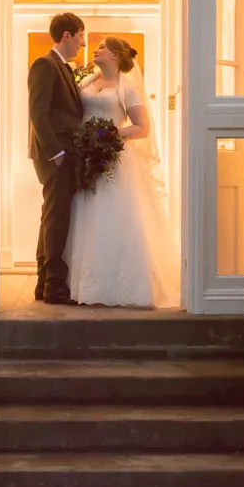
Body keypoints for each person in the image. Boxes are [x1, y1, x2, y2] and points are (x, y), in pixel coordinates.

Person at [66, 36, 180, 308]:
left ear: (116, 55)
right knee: (87, 218)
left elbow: (142, 128)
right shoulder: (87, 82)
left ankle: (124, 284)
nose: (96, 49)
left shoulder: (127, 89)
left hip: (113, 160)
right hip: (86, 159)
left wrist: (109, 136)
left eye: (103, 47)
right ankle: (85, 284)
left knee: (116, 218)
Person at [28, 12, 85, 305]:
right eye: (80, 36)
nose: (82, 42)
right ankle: (55, 287)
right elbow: (38, 114)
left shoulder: (63, 67)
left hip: (60, 154)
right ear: (67, 35)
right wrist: (57, 152)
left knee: (51, 217)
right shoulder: (45, 65)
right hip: (53, 155)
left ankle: (44, 283)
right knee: (57, 218)